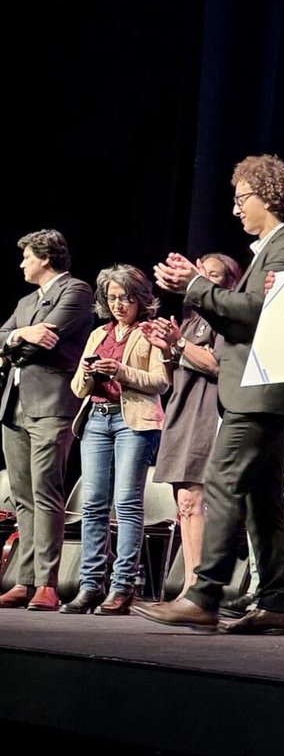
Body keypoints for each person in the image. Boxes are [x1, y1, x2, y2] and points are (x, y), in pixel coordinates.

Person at [132, 154, 284, 633]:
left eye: (241, 199)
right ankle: (277, 603)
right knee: (262, 499)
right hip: (258, 392)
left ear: (269, 198)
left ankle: (204, 594)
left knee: (220, 481)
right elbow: (241, 317)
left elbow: (259, 313)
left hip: (263, 393)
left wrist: (196, 287)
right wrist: (192, 287)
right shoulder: (270, 250)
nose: (235, 209)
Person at [63, 265, 169, 615]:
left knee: (126, 503)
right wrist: (90, 373)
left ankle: (123, 585)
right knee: (92, 504)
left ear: (140, 299)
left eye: (126, 298)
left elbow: (160, 382)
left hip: (133, 423)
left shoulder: (148, 332)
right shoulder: (98, 334)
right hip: (96, 419)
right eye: (112, 298)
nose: (119, 305)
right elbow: (77, 387)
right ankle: (91, 585)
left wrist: (120, 371)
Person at [0, 231, 94, 611]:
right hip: (15, 405)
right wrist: (20, 333)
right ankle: (25, 580)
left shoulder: (76, 290)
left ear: (44, 257)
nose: (22, 263)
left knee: (46, 493)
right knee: (22, 496)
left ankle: (47, 584)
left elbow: (46, 340)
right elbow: (6, 337)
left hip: (52, 404)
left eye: (26, 256)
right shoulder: (26, 302)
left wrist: (15, 343)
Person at [140, 252, 241, 593]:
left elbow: (216, 365)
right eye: (202, 273)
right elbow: (172, 376)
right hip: (182, 410)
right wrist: (166, 349)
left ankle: (197, 588)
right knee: (184, 500)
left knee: (195, 499)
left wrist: (178, 343)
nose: (205, 279)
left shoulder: (225, 320)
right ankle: (189, 584)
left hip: (207, 410)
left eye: (214, 275)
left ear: (230, 283)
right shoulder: (190, 320)